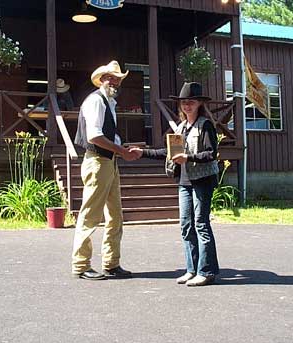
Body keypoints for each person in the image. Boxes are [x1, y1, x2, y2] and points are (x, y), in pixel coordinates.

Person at [130, 82, 220, 287]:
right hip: (184, 181)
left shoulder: (205, 125)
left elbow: (211, 153)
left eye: (192, 102)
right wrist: (142, 152)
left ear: (199, 104)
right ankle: (192, 269)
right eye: (184, 102)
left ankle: (206, 271)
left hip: (203, 181)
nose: (187, 105)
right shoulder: (180, 128)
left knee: (201, 224)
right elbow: (167, 153)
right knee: (186, 226)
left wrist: (188, 157)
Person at [71, 60, 138, 280]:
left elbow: (106, 135)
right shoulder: (96, 101)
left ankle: (111, 263)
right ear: (102, 79)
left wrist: (120, 150)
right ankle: (81, 265)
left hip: (108, 162)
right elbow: (94, 136)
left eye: (118, 78)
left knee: (115, 215)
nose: (115, 81)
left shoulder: (108, 102)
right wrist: (121, 150)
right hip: (98, 162)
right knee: (90, 214)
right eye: (111, 77)